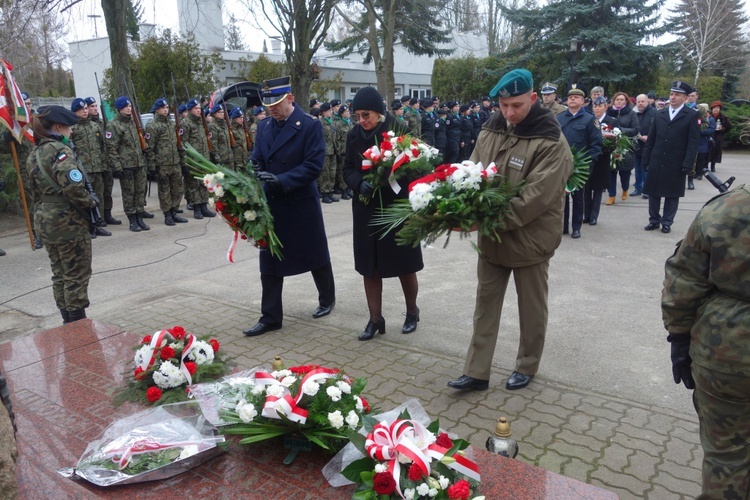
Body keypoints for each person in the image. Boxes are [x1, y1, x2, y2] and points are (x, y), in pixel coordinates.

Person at [447, 69, 573, 392]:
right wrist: (457, 206)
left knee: (531, 310)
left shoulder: (551, 142)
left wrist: (482, 221)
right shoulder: (491, 129)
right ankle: (476, 371)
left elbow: (534, 199)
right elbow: (472, 171)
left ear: (533, 98)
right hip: (493, 239)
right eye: (503, 105)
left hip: (531, 240)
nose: (509, 113)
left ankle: (527, 365)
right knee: (484, 306)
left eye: (516, 105)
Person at [661, 184, 750, 499]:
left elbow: (685, 278)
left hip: (729, 353)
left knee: (727, 457)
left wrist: (679, 337)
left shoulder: (728, 207)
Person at [243, 76, 336, 337]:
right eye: (268, 104)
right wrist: (253, 170)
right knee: (269, 260)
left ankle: (327, 298)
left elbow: (313, 166)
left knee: (315, 254)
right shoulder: (263, 128)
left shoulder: (309, 126)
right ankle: (270, 316)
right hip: (271, 203)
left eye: (278, 103)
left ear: (291, 99)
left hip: (299, 201)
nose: (272, 108)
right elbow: (257, 158)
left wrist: (282, 179)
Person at [342, 86, 423, 340]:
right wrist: (358, 182)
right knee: (370, 267)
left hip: (395, 208)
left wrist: (391, 175)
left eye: (366, 115)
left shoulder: (399, 131)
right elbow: (346, 168)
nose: (362, 121)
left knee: (404, 264)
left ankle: (412, 311)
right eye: (358, 116)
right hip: (366, 209)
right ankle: (375, 319)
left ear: (378, 112)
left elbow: (415, 166)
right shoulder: (354, 135)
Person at [28, 106, 98, 323]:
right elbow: (74, 188)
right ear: (58, 127)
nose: (72, 131)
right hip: (67, 222)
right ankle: (77, 327)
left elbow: (34, 192)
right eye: (69, 127)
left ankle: (67, 322)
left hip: (46, 221)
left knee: (60, 274)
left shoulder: (35, 153)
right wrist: (91, 202)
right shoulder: (60, 151)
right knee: (76, 275)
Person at [641, 81, 700, 234]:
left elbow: (693, 143)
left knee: (671, 194)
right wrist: (645, 159)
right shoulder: (660, 113)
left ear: (685, 98)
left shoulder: (692, 116)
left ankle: (667, 221)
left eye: (677, 95)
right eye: (672, 94)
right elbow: (651, 139)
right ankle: (653, 220)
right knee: (653, 192)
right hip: (657, 159)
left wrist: (688, 164)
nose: (673, 97)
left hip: (676, 161)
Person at [557, 83, 602, 239]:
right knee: (561, 197)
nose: (572, 99)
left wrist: (588, 166)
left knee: (578, 198)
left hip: (580, 167)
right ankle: (563, 226)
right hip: (561, 165)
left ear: (583, 101)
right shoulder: (559, 118)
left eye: (576, 97)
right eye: (570, 97)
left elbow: (596, 145)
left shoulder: (590, 120)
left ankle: (576, 227)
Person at [105, 96, 150, 232]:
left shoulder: (134, 122)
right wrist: (117, 166)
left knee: (140, 191)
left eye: (129, 106)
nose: (128, 108)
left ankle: (140, 217)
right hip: (126, 165)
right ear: (119, 109)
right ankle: (132, 220)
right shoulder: (113, 125)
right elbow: (111, 148)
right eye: (125, 107)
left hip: (139, 163)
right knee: (129, 193)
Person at [70, 98, 111, 239]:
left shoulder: (95, 126)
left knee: (98, 196)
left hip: (97, 167)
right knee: (84, 199)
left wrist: (103, 164)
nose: (85, 111)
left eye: (86, 108)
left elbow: (102, 147)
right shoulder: (73, 128)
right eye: (81, 109)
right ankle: (87, 226)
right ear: (75, 111)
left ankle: (98, 224)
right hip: (83, 171)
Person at [145, 98, 187, 226]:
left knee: (178, 189)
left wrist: (182, 160)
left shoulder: (171, 124)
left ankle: (174, 211)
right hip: (162, 163)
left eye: (167, 107)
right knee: (164, 190)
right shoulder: (152, 126)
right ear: (157, 109)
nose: (166, 110)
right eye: (163, 108)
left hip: (175, 162)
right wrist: (151, 165)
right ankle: (167, 214)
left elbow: (178, 143)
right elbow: (150, 147)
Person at [84, 96, 121, 226]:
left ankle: (107, 214)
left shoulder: (102, 123)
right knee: (95, 193)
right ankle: (97, 218)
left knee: (107, 191)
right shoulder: (85, 125)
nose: (94, 109)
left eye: (95, 106)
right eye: (91, 106)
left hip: (106, 163)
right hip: (94, 165)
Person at [181, 98, 216, 219]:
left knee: (203, 183)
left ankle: (204, 206)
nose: (198, 110)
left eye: (200, 108)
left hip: (204, 158)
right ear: (190, 110)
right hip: (193, 159)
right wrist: (185, 161)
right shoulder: (185, 123)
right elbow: (183, 143)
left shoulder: (201, 122)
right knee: (193, 184)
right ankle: (196, 207)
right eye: (196, 108)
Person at [605, 91, 639, 204]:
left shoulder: (631, 113)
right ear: (613, 101)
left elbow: (635, 129)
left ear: (626, 101)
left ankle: (625, 188)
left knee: (625, 171)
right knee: (611, 171)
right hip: (611, 144)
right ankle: (611, 195)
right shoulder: (608, 112)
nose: (619, 101)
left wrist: (622, 131)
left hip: (626, 145)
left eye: (622, 100)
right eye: (617, 99)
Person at [586, 96, 616, 225]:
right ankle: (586, 214)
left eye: (600, 106)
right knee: (586, 188)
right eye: (595, 106)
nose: (597, 108)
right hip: (589, 158)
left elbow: (616, 140)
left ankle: (594, 216)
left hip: (603, 158)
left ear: (606, 107)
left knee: (598, 189)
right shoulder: (589, 119)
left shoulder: (612, 121)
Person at [631, 94, 656, 198]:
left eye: (642, 101)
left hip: (649, 144)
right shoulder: (634, 112)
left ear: (647, 102)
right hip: (637, 144)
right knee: (637, 168)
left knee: (647, 168)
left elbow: (656, 127)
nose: (640, 103)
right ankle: (638, 188)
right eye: (639, 102)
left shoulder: (654, 112)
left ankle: (647, 189)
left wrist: (649, 137)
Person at [690, 103, 715, 190]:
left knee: (700, 158)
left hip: (701, 141)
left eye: (693, 95)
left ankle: (696, 175)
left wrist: (699, 130)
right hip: (690, 139)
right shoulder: (686, 107)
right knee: (691, 159)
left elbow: (708, 127)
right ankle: (691, 175)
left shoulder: (701, 112)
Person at [318, 102, 339, 203]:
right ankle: (325, 193)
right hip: (325, 151)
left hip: (333, 150)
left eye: (331, 110)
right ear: (323, 112)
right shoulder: (320, 123)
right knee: (325, 173)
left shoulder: (332, 122)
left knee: (332, 172)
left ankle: (330, 191)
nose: (331, 112)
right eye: (329, 110)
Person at [708, 101, 732, 172]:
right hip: (710, 135)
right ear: (712, 109)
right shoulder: (709, 116)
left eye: (717, 108)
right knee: (708, 151)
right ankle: (705, 165)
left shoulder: (723, 117)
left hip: (718, 136)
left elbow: (729, 126)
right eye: (714, 108)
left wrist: (723, 128)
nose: (716, 109)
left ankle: (713, 166)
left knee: (716, 151)